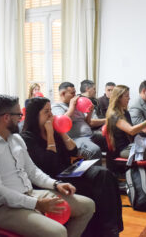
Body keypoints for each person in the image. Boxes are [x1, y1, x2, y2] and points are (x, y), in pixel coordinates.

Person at [0, 95, 95, 237]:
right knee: (58, 232)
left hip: (29, 194)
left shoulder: (15, 138)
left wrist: (55, 184)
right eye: (19, 115)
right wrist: (36, 204)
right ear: (6, 117)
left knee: (88, 206)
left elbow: (32, 170)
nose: (21, 119)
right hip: (2, 209)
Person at [21, 97, 123, 237]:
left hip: (68, 170)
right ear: (35, 115)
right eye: (46, 112)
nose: (51, 115)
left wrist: (61, 132)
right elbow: (48, 163)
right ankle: (103, 230)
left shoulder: (55, 131)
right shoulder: (27, 137)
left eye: (51, 110)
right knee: (95, 186)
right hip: (52, 178)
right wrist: (50, 134)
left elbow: (73, 151)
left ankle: (112, 227)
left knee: (105, 175)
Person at [52, 82, 107, 160]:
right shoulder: (56, 106)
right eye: (72, 93)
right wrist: (71, 107)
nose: (75, 95)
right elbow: (61, 123)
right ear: (63, 94)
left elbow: (88, 122)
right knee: (95, 150)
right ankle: (96, 172)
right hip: (76, 138)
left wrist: (90, 112)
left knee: (111, 139)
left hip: (90, 134)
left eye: (75, 92)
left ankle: (114, 170)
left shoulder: (77, 105)